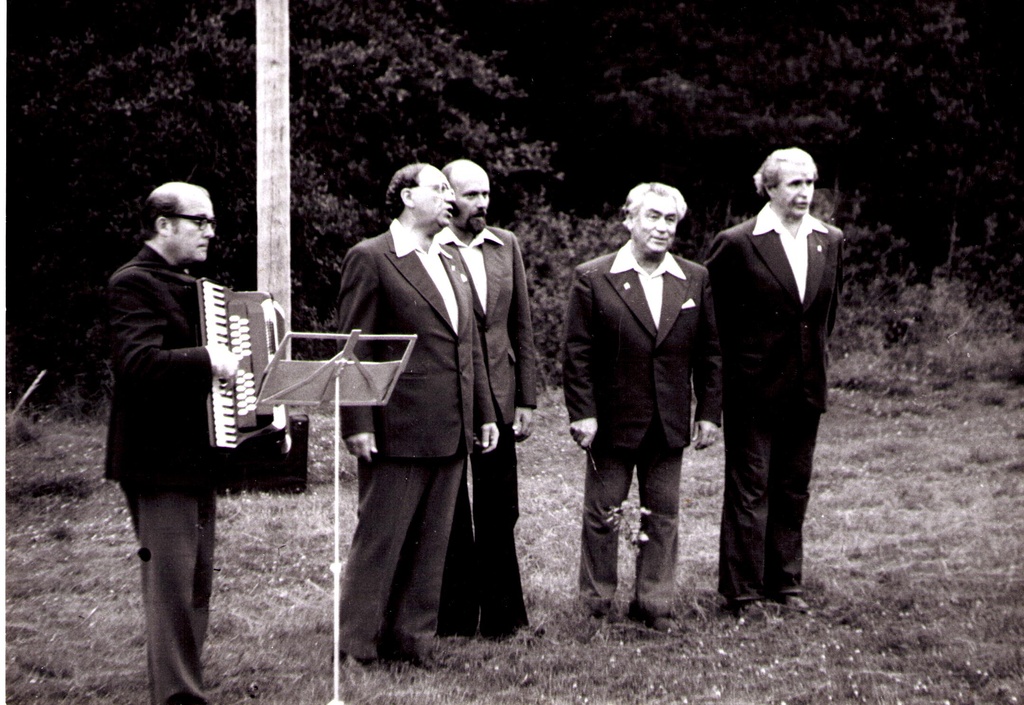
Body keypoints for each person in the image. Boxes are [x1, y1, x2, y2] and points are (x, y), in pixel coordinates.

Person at [335, 163, 499, 667]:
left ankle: (414, 640)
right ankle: (357, 644)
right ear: (407, 197)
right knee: (381, 539)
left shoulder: (450, 260)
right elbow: (354, 349)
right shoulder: (371, 257)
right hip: (396, 428)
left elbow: (467, 346)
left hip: (452, 428)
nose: (450, 198)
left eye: (451, 190)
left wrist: (483, 413)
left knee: (433, 544)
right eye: (439, 188)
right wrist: (357, 423)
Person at [562, 182, 722, 632]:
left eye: (670, 219)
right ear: (628, 220)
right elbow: (577, 352)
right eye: (652, 216)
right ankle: (595, 604)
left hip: (668, 421)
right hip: (611, 422)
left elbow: (710, 353)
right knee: (602, 514)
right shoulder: (594, 276)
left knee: (663, 515)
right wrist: (582, 412)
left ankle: (654, 604)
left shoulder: (694, 278)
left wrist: (708, 413)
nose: (662, 227)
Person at [106, 182, 239, 705]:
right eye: (199, 221)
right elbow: (137, 363)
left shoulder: (186, 284)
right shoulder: (132, 283)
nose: (210, 231)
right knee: (171, 589)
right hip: (157, 459)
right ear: (163, 224)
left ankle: (183, 686)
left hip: (194, 455)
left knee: (195, 584)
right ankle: (178, 695)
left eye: (211, 221)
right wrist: (209, 360)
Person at [706, 147, 844, 616]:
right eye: (794, 183)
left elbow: (825, 315)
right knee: (751, 489)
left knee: (793, 486)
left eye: (810, 182)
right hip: (752, 390)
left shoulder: (830, 239)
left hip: (805, 387)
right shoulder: (738, 243)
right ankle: (742, 590)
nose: (805, 192)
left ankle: (785, 582)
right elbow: (714, 323)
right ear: (768, 187)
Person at [434, 159, 539, 639]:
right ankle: (455, 617)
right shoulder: (432, 248)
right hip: (451, 396)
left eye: (486, 194)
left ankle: (505, 617)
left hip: (499, 392)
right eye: (471, 195)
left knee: (499, 508)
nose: (482, 204)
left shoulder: (505, 244)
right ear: (448, 197)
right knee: (452, 508)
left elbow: (522, 324)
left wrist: (526, 398)